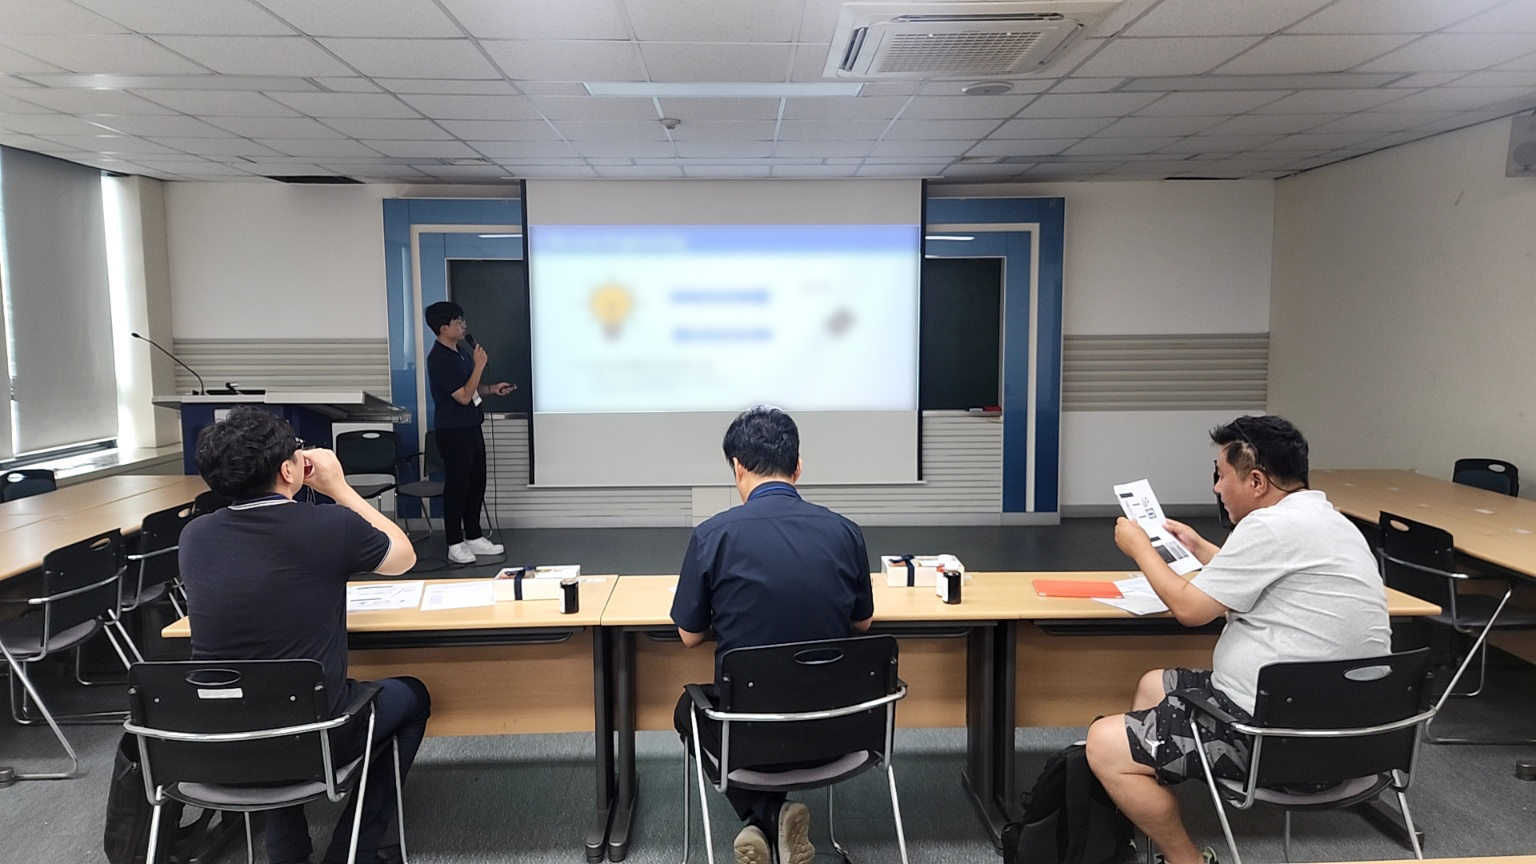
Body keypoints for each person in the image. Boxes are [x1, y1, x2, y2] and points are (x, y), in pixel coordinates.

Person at [1085, 415, 1390, 864]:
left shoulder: (1266, 527)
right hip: (1355, 736)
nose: (1216, 487)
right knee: (1154, 684)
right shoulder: (1329, 522)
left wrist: (1141, 549)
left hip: (1277, 740)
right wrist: (1200, 549)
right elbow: (1265, 575)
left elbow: (1190, 610)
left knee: (1102, 743)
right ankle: (1153, 795)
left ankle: (1184, 858)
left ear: (1257, 481)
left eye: (1221, 475)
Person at [179, 406, 430, 864]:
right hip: (315, 734)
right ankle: (353, 850)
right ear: (287, 470)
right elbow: (403, 557)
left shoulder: (195, 536)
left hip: (217, 738)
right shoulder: (328, 524)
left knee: (267, 694)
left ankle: (288, 854)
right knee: (412, 696)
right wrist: (339, 488)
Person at [670, 406, 875, 864]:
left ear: (737, 467)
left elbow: (689, 635)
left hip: (748, 736)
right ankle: (772, 816)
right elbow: (862, 624)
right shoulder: (845, 532)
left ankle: (762, 812)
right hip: (838, 732)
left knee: (688, 709)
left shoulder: (712, 536)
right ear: (798, 467)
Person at [423, 301, 513, 565]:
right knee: (458, 488)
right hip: (453, 432)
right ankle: (454, 543)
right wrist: (479, 366)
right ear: (443, 328)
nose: (464, 326)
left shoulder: (460, 352)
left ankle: (474, 536)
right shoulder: (439, 358)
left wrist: (491, 389)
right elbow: (462, 397)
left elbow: (470, 388)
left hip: (472, 427)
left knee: (476, 484)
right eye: (458, 321)